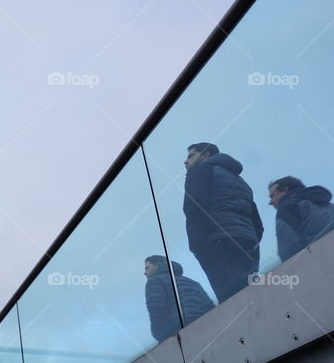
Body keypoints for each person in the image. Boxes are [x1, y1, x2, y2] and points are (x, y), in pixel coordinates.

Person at [182, 143, 263, 303]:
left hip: (217, 243)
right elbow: (257, 222)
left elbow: (193, 208)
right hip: (247, 242)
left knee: (231, 302)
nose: (185, 161)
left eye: (191, 155)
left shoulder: (200, 171)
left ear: (206, 155)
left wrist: (199, 246)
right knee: (252, 297)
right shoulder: (239, 180)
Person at [143, 256, 214, 342]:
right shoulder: (192, 282)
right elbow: (210, 307)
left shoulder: (154, 281)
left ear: (158, 266)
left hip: (177, 333)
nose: (145, 273)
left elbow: (155, 307)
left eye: (147, 268)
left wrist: (160, 335)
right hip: (204, 327)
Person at [269, 176, 334, 262]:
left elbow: (289, 254)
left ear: (285, 189)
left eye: (272, 196)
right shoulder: (328, 205)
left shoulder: (287, 208)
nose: (270, 202)